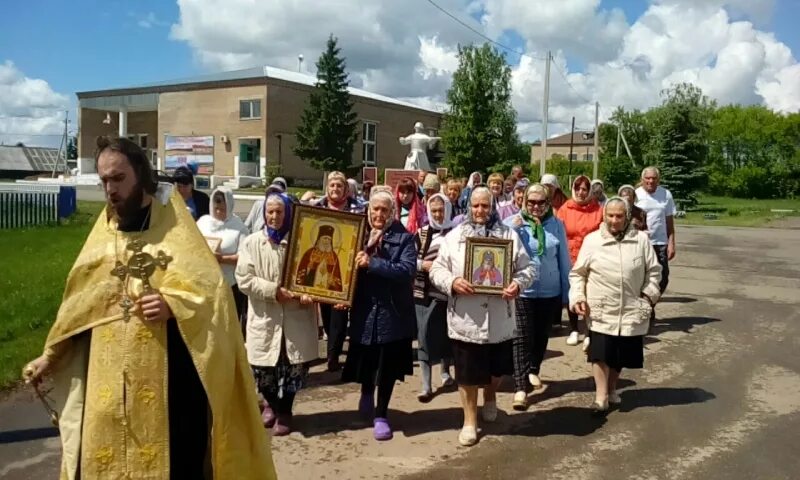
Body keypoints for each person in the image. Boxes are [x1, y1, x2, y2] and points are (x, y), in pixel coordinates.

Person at [22, 136, 275, 479]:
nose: (110, 189)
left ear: (140, 173)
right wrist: (49, 356)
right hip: (107, 380)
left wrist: (173, 304)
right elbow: (80, 307)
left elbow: (211, 292)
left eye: (118, 178)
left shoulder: (174, 226)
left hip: (171, 378)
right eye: (104, 180)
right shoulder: (104, 234)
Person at [429, 186, 535, 447]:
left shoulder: (508, 235)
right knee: (467, 374)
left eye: (485, 206)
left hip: (499, 316)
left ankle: (490, 396)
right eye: (475, 206)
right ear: (468, 207)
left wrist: (518, 285)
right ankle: (469, 421)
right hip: (466, 317)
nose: (480, 211)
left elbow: (528, 267)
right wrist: (452, 281)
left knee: (496, 370)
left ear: (493, 207)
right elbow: (437, 270)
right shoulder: (454, 237)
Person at [236, 192, 318, 436]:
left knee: (293, 368)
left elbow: (315, 276)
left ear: (288, 214)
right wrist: (273, 291)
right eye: (270, 211)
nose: (274, 216)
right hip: (265, 316)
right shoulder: (252, 243)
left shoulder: (301, 242)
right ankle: (270, 404)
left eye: (279, 212)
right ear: (264, 213)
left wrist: (309, 293)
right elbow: (244, 279)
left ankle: (285, 411)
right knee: (263, 370)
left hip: (295, 316)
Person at [569, 197, 662, 414]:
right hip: (601, 307)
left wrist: (649, 296)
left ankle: (611, 389)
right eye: (610, 215)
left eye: (619, 216)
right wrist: (578, 298)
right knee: (600, 352)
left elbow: (654, 272)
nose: (614, 220)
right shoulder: (592, 240)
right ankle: (600, 397)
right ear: (604, 216)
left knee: (619, 355)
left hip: (631, 308)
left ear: (627, 217)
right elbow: (578, 273)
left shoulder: (641, 240)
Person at [342, 189, 417, 441]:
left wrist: (373, 263)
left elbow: (407, 271)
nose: (379, 214)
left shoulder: (404, 239)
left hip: (392, 312)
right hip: (364, 309)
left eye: (384, 210)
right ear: (368, 210)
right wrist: (341, 295)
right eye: (375, 209)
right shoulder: (357, 233)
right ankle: (365, 392)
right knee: (366, 359)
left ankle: (381, 414)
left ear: (392, 213)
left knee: (386, 367)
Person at [505, 183, 570, 410]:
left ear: (548, 203)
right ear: (524, 202)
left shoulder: (557, 225)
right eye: (531, 202)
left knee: (541, 335)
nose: (535, 206)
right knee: (521, 336)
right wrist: (512, 229)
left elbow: (564, 260)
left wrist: (566, 293)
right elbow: (502, 251)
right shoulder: (513, 223)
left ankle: (533, 369)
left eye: (540, 202)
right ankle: (520, 388)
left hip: (550, 290)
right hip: (523, 289)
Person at [315, 171, 362, 371]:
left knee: (340, 313)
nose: (335, 189)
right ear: (327, 187)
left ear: (345, 188)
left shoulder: (358, 209)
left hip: (346, 268)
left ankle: (333, 356)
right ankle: (332, 347)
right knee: (326, 313)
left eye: (339, 186)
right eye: (332, 185)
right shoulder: (317, 207)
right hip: (322, 267)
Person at [414, 193, 455, 402]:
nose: (438, 214)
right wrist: (424, 265)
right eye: (434, 210)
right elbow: (410, 259)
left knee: (447, 335)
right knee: (425, 336)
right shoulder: (421, 234)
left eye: (441, 210)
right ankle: (426, 385)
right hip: (424, 293)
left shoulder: (456, 234)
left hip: (448, 294)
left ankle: (446, 372)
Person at [196, 187, 250, 337]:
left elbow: (244, 256)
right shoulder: (203, 222)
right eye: (216, 207)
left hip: (230, 284)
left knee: (227, 326)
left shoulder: (239, 227)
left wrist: (222, 259)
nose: (219, 211)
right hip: (205, 282)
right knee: (208, 326)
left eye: (222, 208)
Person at [557, 175, 603, 348]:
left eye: (584, 189)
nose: (581, 192)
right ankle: (574, 329)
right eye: (578, 189)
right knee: (573, 293)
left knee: (590, 293)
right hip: (570, 256)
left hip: (592, 256)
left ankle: (589, 330)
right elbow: (558, 232)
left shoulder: (598, 209)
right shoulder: (565, 208)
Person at [635, 167, 676, 312]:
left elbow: (669, 222)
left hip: (660, 243)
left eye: (653, 178)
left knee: (663, 277)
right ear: (642, 179)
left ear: (658, 179)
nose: (650, 181)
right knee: (640, 278)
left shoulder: (666, 194)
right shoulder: (635, 194)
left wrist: (671, 243)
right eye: (647, 178)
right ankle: (642, 307)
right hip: (640, 243)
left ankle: (650, 304)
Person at [295, 225, 343, 291]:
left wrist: (333, 281)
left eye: (329, 239)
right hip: (308, 291)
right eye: (325, 238)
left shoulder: (334, 256)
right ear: (319, 239)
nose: (327, 241)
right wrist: (308, 269)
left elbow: (338, 281)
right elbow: (300, 275)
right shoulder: (309, 253)